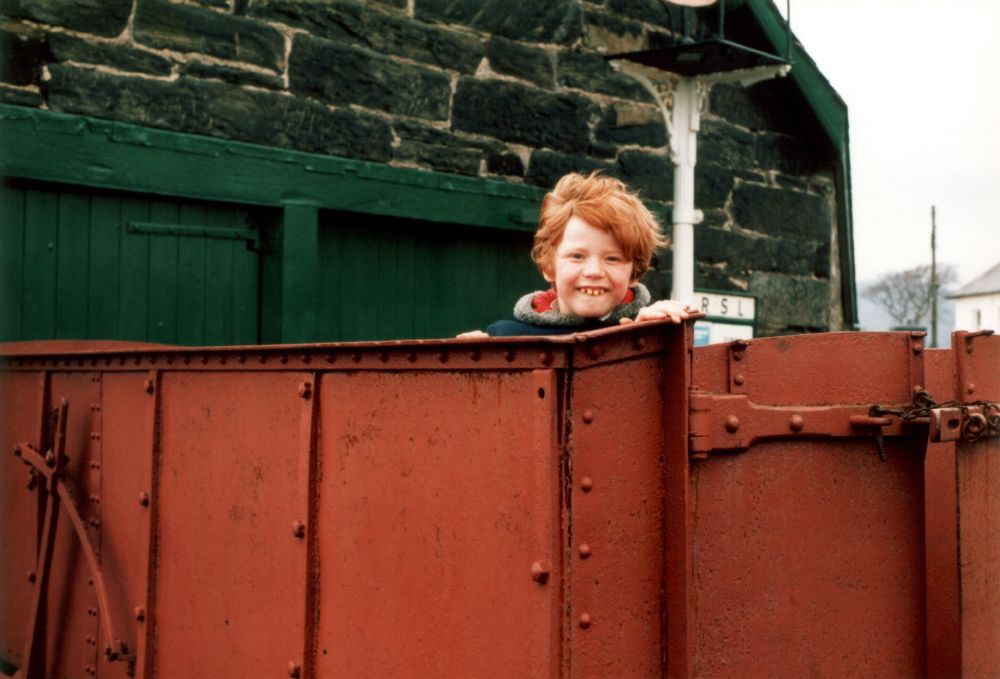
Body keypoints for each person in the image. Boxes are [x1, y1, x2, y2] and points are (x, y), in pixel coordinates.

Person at [459, 171, 691, 337]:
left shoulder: (650, 329)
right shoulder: (504, 338)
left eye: (612, 258)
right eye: (577, 256)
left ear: (635, 271)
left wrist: (656, 337)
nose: (593, 272)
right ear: (549, 266)